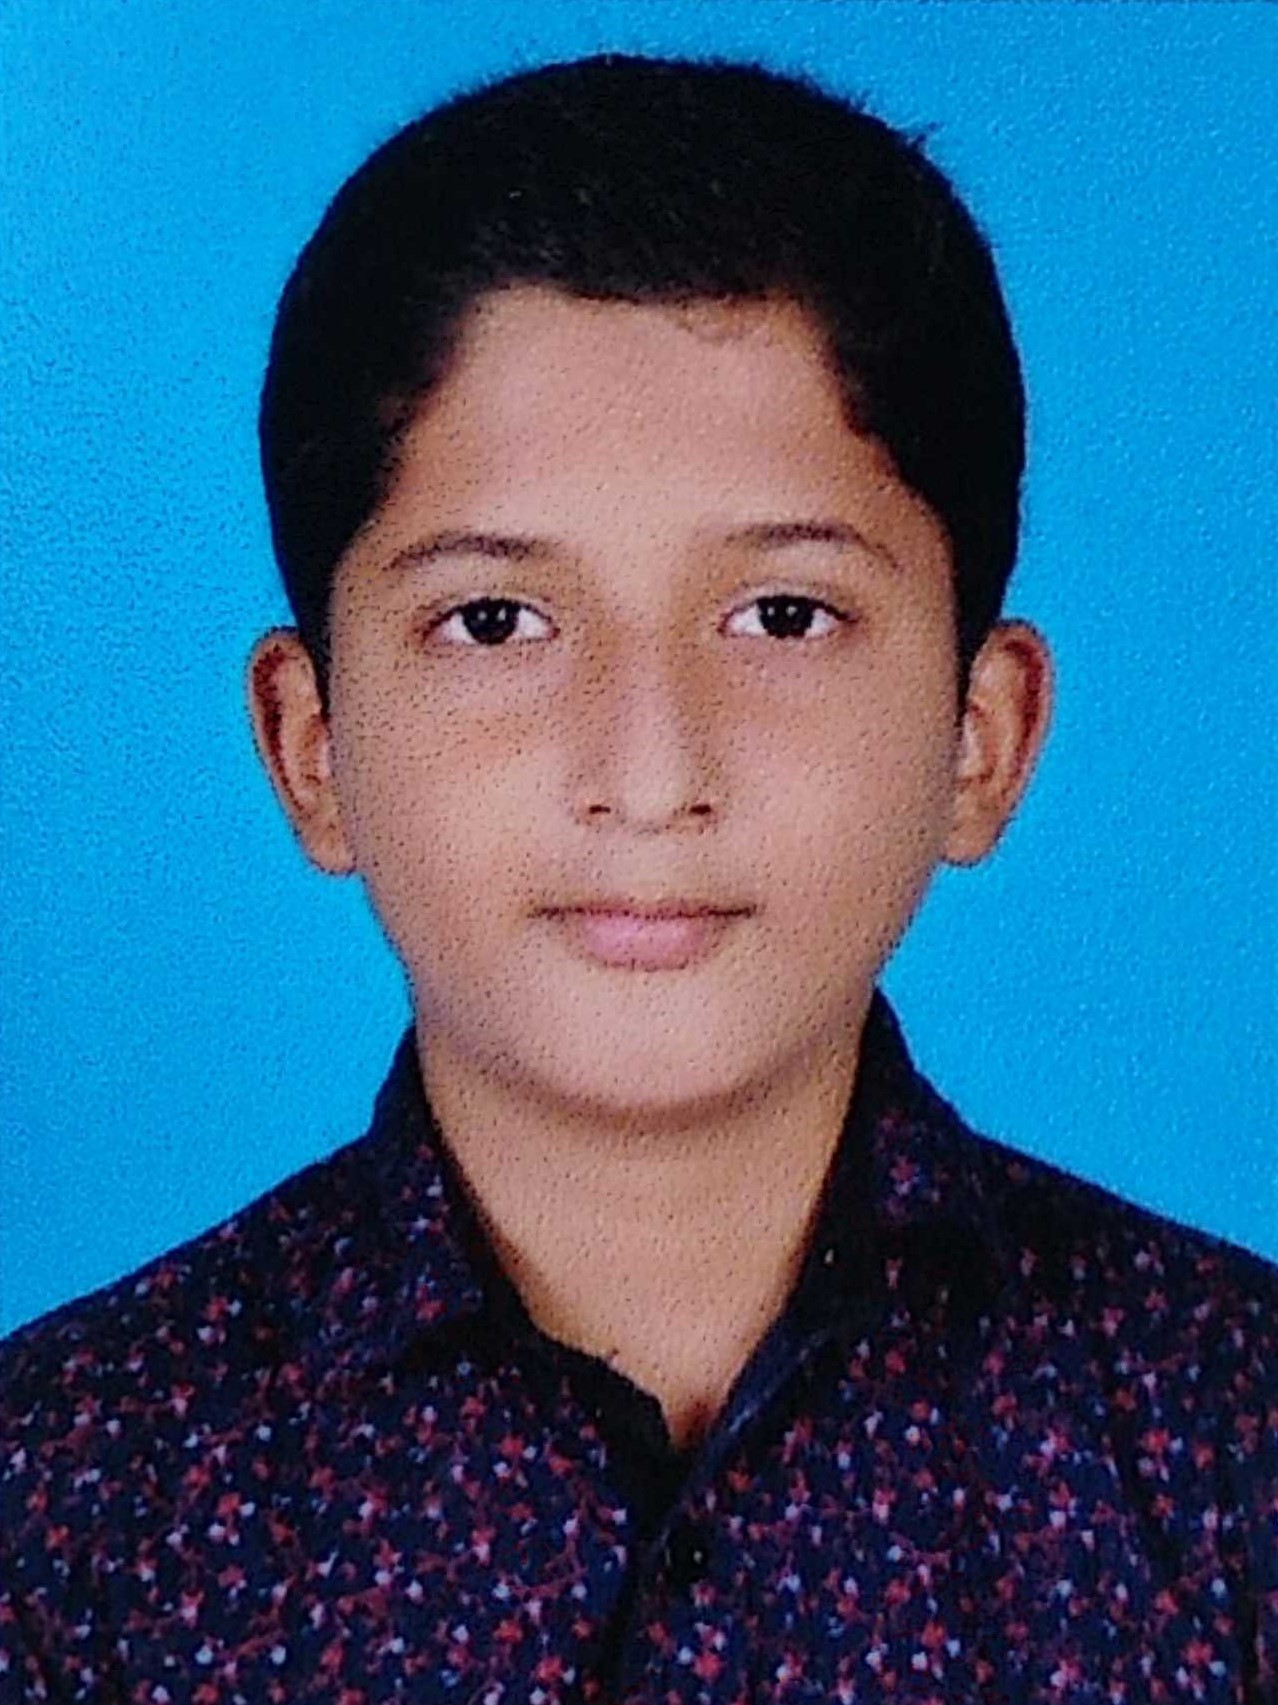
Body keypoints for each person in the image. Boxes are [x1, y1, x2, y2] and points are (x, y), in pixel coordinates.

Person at [2, 51, 1274, 1704]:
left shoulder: (1226, 1448)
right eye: (494, 621)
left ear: (982, 734)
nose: (650, 770)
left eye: (783, 615)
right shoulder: (68, 1508)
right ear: (311, 746)